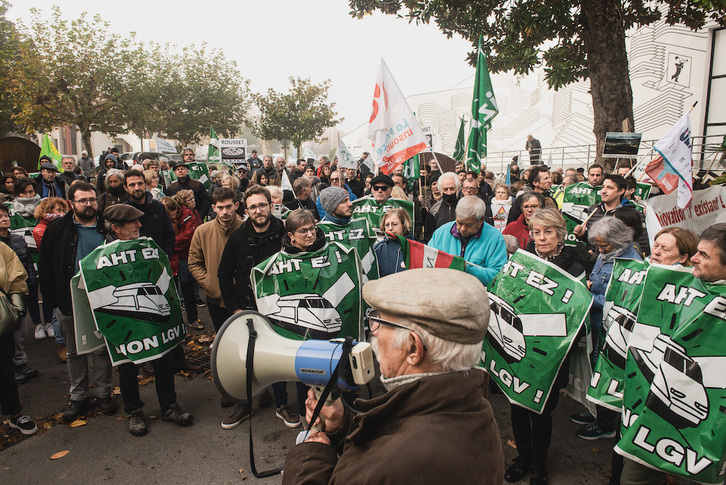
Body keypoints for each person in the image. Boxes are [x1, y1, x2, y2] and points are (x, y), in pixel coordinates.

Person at [283, 268, 504, 484]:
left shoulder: (392, 464)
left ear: (413, 349)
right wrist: (343, 426)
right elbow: (391, 437)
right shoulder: (474, 408)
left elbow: (386, 459)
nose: (374, 332)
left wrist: (310, 455)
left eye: (379, 321)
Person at [619, 223, 726, 485]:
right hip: (650, 418)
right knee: (633, 479)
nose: (694, 259)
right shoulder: (675, 286)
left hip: (707, 437)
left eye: (705, 255)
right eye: (696, 251)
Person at [505, 209, 585, 485]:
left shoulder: (575, 268)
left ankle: (539, 462)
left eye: (547, 232)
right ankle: (522, 457)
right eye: (536, 232)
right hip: (517, 346)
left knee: (541, 410)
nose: (541, 238)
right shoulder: (522, 262)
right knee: (516, 406)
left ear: (561, 235)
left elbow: (577, 318)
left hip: (552, 354)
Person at [103, 204, 193, 436]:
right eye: (133, 222)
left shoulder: (147, 246)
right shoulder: (101, 255)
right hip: (127, 327)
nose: (139, 225)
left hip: (154, 320)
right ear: (116, 228)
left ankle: (169, 406)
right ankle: (134, 412)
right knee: (127, 368)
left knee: (164, 359)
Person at [218, 186, 300, 430]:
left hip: (280, 308)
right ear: (246, 210)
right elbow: (224, 274)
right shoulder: (237, 237)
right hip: (246, 309)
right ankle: (245, 404)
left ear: (271, 205)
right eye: (253, 207)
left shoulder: (285, 232)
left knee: (278, 357)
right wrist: (234, 310)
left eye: (262, 205)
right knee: (249, 359)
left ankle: (281, 404)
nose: (258, 210)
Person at [38, 182, 117, 422]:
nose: (89, 204)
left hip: (103, 297)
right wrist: (52, 299)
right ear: (72, 203)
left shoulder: (107, 228)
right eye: (83, 200)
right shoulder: (58, 229)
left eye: (92, 199)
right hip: (69, 299)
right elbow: (46, 265)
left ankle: (104, 393)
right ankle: (79, 397)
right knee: (74, 351)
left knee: (102, 349)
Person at [188, 188, 243, 332]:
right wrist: (208, 282)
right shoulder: (202, 231)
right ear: (214, 208)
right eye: (220, 207)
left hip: (242, 298)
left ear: (236, 206)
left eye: (228, 207)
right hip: (215, 298)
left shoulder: (246, 229)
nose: (225, 212)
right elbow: (194, 262)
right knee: (222, 336)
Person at [0, 240, 38, 436]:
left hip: (1, 319)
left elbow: (16, 276)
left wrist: (17, 306)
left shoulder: (2, 248)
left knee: (6, 370)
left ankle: (15, 414)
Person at [0, 205, 41, 385]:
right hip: (3, 295)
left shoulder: (17, 239)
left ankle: (21, 362)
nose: (4, 219)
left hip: (19, 290)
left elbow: (28, 264)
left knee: (21, 331)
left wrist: (30, 284)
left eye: (5, 215)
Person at [428, 195, 508, 287]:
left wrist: (467, 268)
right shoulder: (441, 233)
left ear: (481, 219)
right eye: (459, 223)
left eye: (468, 225)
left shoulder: (495, 238)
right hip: (443, 290)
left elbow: (498, 277)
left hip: (476, 295)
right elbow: (428, 264)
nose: (462, 229)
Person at [32, 197, 67, 361]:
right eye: (57, 210)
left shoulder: (65, 225)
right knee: (56, 312)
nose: (61, 213)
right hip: (53, 272)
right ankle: (61, 343)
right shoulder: (41, 230)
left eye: (62, 210)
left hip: (64, 270)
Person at [162, 196, 202, 331]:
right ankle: (174, 323)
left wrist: (171, 243)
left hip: (184, 256)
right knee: (170, 291)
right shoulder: (163, 217)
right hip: (171, 258)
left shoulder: (188, 215)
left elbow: (187, 237)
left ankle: (193, 319)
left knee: (187, 288)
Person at [123, 170, 175, 258]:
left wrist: (165, 256)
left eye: (140, 184)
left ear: (145, 184)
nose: (137, 188)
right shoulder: (123, 211)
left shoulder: (158, 207)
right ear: (125, 187)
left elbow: (169, 234)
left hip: (158, 261)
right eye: (132, 185)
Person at [166, 152, 211, 219]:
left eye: (182, 169)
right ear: (175, 173)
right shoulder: (171, 187)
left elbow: (206, 202)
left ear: (187, 171)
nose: (180, 171)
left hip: (195, 217)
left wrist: (200, 215)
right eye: (178, 170)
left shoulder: (197, 185)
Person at [374, 208, 415, 277]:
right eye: (387, 225)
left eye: (394, 224)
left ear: (403, 224)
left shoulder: (416, 246)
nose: (390, 228)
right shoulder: (377, 249)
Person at [423, 172, 460, 242]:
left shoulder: (465, 208)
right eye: (445, 189)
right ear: (440, 190)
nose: (449, 192)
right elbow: (429, 235)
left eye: (452, 189)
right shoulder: (434, 211)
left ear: (458, 189)